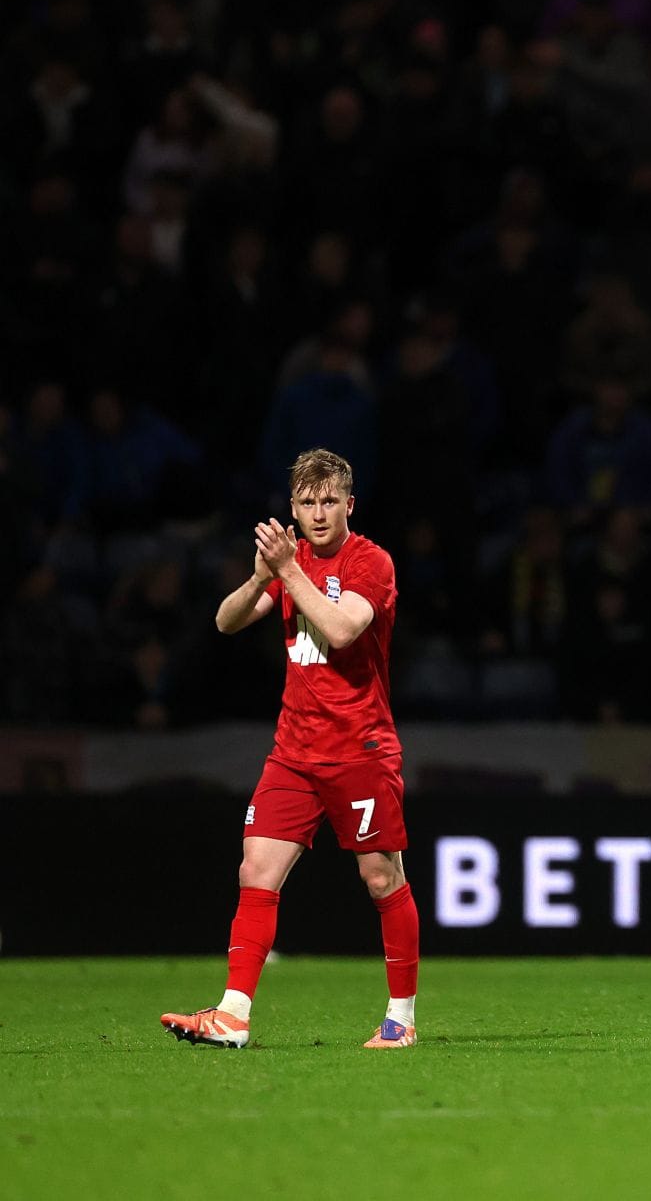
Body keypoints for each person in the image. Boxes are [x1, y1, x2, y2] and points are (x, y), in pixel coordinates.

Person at [161, 449, 415, 1050]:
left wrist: (288, 571)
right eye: (307, 502)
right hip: (294, 752)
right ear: (293, 509)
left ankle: (400, 1019)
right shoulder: (288, 564)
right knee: (255, 870)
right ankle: (233, 1014)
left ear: (349, 505)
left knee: (381, 877)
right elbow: (225, 622)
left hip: (360, 749)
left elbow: (343, 629)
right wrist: (259, 577)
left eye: (329, 501)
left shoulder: (370, 561)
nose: (318, 513)